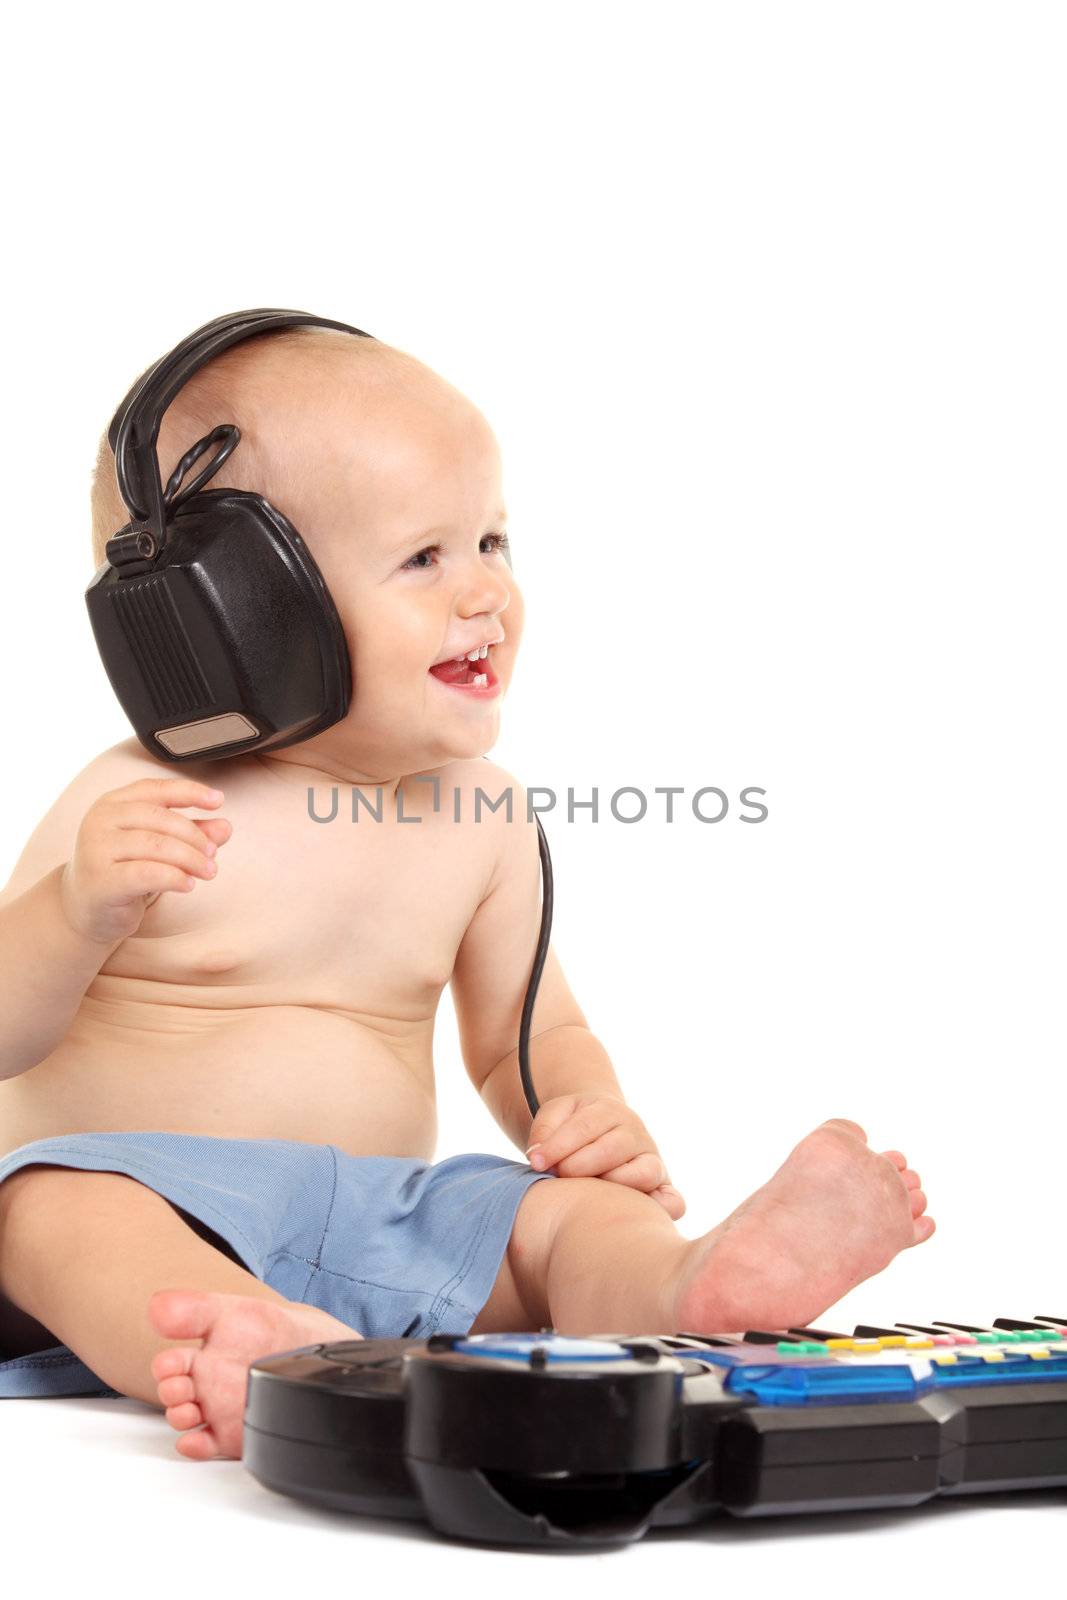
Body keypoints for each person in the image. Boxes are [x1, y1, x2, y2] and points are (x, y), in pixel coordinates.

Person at [0, 324, 933, 1460]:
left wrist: (583, 1114)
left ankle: (686, 1287)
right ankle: (247, 1340)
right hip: (145, 1196)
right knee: (44, 1207)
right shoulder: (136, 801)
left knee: (550, 1219)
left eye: (491, 538)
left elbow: (527, 1037)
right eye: (423, 558)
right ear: (238, 608)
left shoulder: (482, 816)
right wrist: (73, 909)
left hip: (388, 1217)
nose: (486, 589)